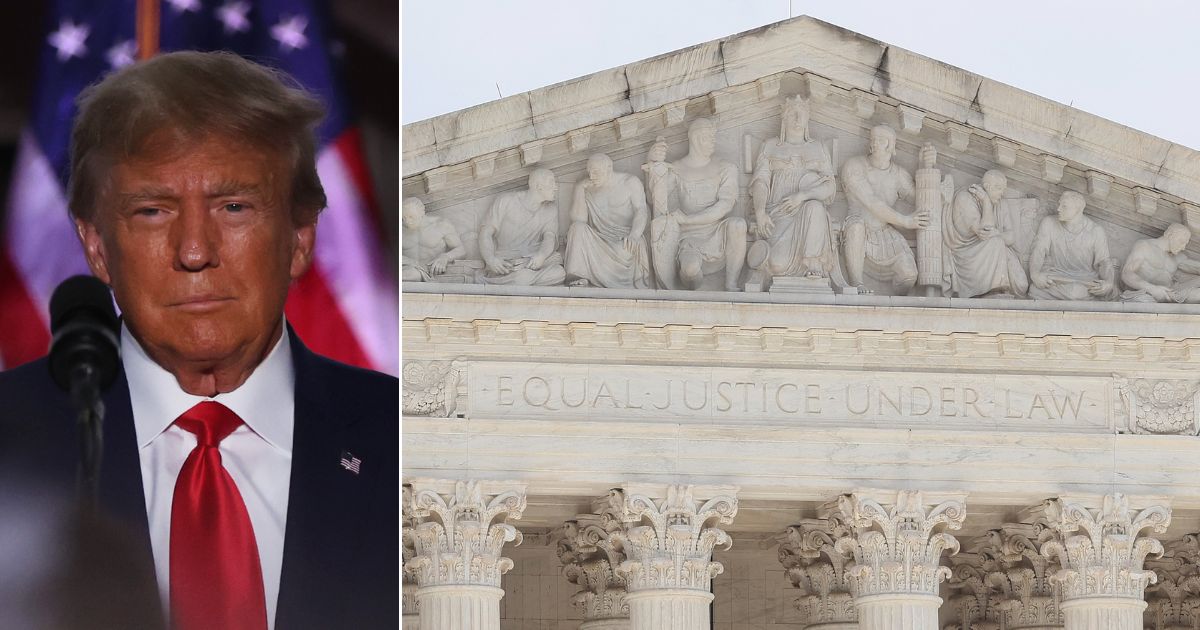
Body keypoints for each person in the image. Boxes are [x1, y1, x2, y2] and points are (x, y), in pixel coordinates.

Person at [0, 51, 397, 630]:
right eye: (153, 211)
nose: (194, 251)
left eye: (233, 207)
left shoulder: (411, 446)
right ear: (96, 246)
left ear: (301, 237)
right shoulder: (10, 447)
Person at [645, 118, 748, 291]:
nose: (713, 141)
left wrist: (687, 219)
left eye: (713, 137)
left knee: (738, 224)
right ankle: (691, 290)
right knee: (690, 270)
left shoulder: (726, 167)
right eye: (709, 137)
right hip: (689, 238)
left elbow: (725, 205)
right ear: (696, 138)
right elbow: (656, 200)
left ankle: (731, 283)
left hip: (717, 232)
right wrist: (654, 163)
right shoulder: (676, 168)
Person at [748, 95, 837, 280]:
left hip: (811, 217)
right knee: (777, 265)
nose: (798, 120)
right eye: (792, 114)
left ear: (808, 118)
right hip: (778, 214)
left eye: (802, 114)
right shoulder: (770, 146)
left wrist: (802, 196)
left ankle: (813, 261)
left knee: (815, 207)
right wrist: (760, 212)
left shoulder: (819, 148)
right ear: (784, 118)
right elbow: (761, 182)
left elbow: (829, 187)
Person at [840, 124, 932, 293]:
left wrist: (925, 166)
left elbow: (921, 199)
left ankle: (896, 309)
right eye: (873, 139)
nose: (875, 143)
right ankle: (856, 283)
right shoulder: (854, 166)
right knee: (856, 227)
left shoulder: (898, 174)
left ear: (891, 145)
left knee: (909, 274)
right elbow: (871, 202)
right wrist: (906, 221)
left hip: (884, 232)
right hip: (858, 228)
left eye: (880, 140)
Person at [564, 153, 651, 288]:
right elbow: (578, 219)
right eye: (590, 172)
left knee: (624, 250)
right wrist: (579, 189)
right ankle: (580, 276)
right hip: (598, 239)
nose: (592, 176)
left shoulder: (630, 182)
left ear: (609, 167)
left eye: (596, 172)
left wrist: (634, 235)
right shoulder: (589, 189)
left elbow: (641, 210)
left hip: (624, 239)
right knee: (577, 228)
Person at [942, 170, 1029, 298]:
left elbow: (1010, 237)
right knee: (996, 242)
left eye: (1003, 189)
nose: (1002, 193)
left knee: (1022, 285)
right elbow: (984, 232)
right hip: (966, 253)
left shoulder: (1001, 204)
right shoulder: (965, 198)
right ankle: (994, 289)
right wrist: (986, 202)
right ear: (987, 187)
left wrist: (997, 233)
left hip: (994, 250)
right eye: (999, 188)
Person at [476, 168, 567, 286]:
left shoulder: (550, 209)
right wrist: (491, 259)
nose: (555, 187)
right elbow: (486, 232)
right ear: (539, 186)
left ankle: (523, 278)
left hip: (533, 262)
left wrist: (541, 256)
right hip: (507, 262)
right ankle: (511, 279)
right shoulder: (506, 200)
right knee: (521, 278)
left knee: (560, 273)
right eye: (551, 183)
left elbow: (549, 237)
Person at [1027, 190, 1118, 301]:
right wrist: (1035, 274)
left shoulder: (1096, 231)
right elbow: (1038, 251)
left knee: (1079, 292)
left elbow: (1104, 261)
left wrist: (1108, 282)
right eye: (1059, 204)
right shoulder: (1049, 223)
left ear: (1078, 209)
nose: (1058, 209)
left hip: (1085, 280)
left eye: (1064, 206)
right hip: (1056, 278)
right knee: (1035, 289)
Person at [1120, 223, 1200, 303]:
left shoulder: (1178, 258)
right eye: (1181, 242)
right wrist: (1152, 289)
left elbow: (1196, 267)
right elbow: (1126, 273)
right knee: (1145, 301)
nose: (1183, 247)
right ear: (1169, 235)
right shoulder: (1145, 246)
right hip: (1145, 293)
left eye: (1185, 244)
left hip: (1172, 294)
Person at [402, 196, 465, 282]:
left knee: (413, 274)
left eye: (411, 217)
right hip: (407, 268)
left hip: (430, 271)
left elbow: (461, 250)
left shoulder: (441, 225)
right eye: (404, 218)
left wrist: (445, 257)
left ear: (422, 213)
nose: (407, 221)